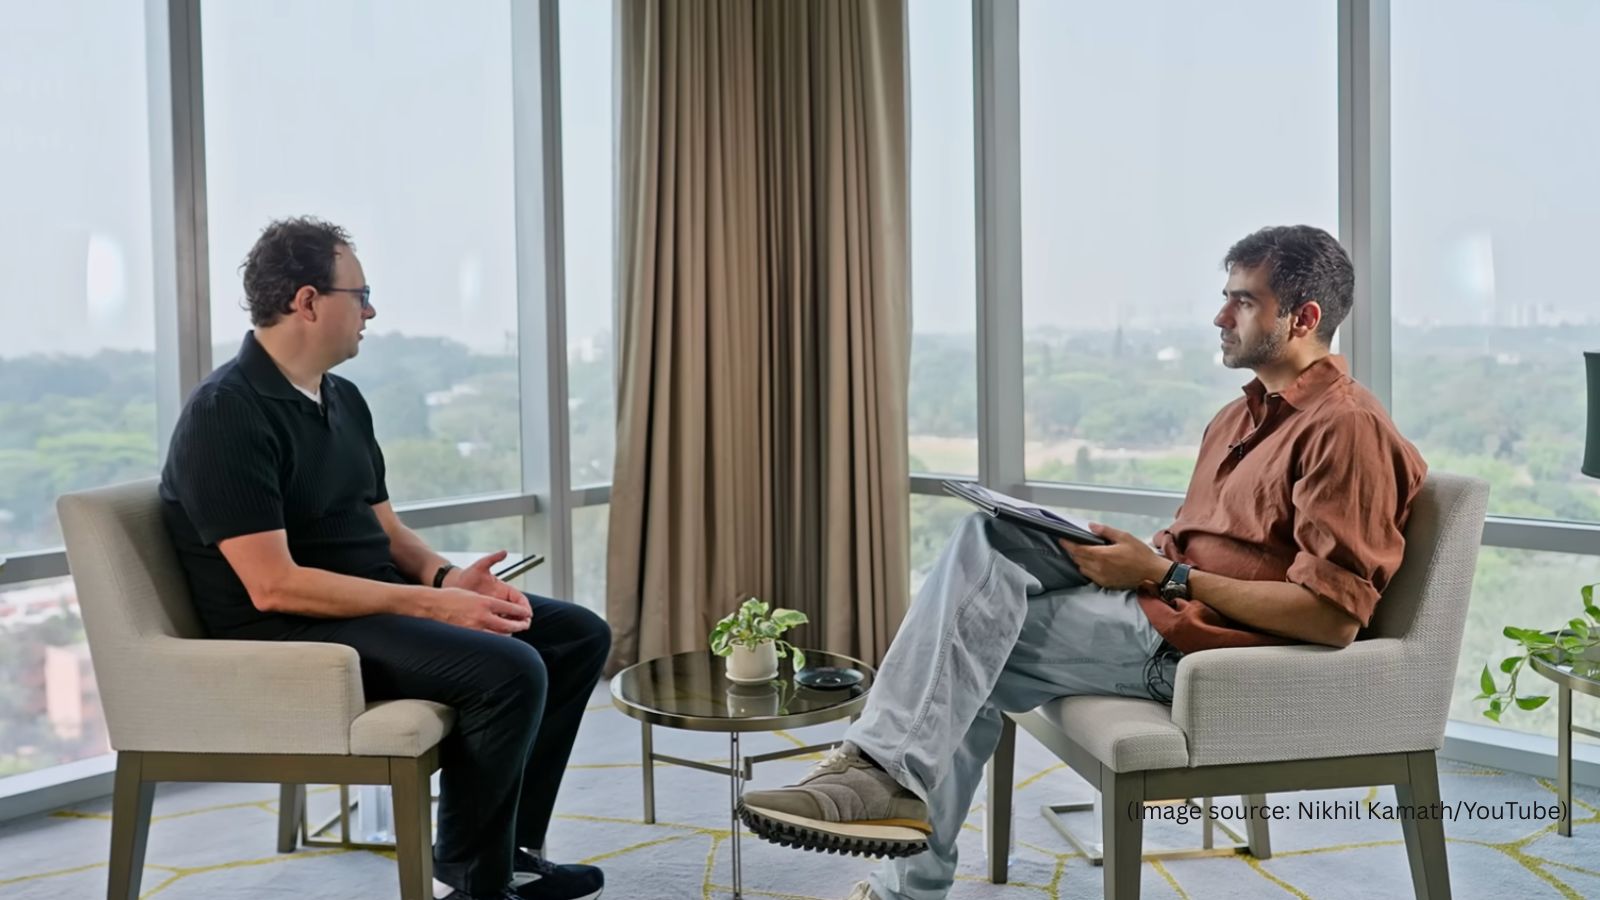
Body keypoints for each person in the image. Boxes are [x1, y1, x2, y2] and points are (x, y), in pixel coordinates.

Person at [739, 225, 1428, 900]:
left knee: (969, 644)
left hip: (1198, 647)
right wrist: (1136, 558)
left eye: (1244, 301)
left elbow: (1331, 618)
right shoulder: (1237, 419)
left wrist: (1161, 575)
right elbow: (1209, 546)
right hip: (1161, 600)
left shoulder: (1345, 428)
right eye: (1225, 297)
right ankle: (879, 781)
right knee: (989, 537)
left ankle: (888, 818)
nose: (1220, 317)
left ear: (1304, 318)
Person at [159, 217, 611, 900]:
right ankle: (476, 881)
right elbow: (274, 586)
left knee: (575, 635)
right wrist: (434, 605)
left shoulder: (342, 397)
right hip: (292, 633)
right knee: (510, 669)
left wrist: (449, 579)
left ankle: (512, 855)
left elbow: (389, 532)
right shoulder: (227, 413)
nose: (371, 311)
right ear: (308, 302)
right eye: (361, 294)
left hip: (366, 607)